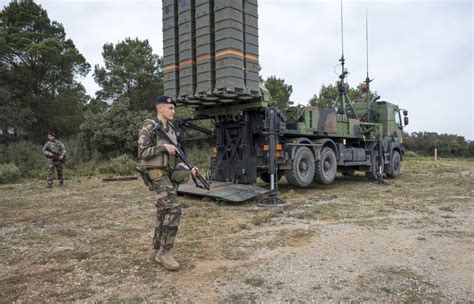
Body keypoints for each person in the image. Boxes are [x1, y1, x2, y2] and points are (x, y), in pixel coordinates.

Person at [138, 96, 196, 271]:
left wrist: (190, 167)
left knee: (164, 212)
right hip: (156, 174)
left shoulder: (170, 129)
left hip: (168, 174)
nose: (173, 111)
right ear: (160, 108)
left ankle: (155, 251)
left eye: (173, 108)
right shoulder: (149, 126)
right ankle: (166, 253)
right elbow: (141, 153)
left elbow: (179, 153)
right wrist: (163, 148)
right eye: (170, 108)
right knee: (174, 209)